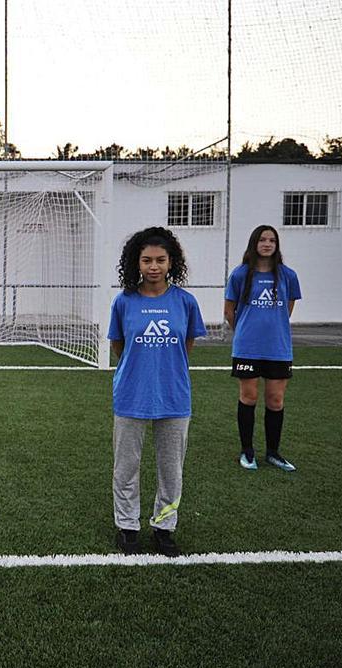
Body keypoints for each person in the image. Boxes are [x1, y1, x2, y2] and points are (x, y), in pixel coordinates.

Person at [108, 227, 206, 557]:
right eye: (147, 260)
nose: (153, 266)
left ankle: (164, 527)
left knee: (170, 469)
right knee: (126, 467)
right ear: (135, 263)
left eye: (160, 260)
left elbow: (185, 346)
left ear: (171, 262)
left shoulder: (185, 302)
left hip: (174, 396)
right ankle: (128, 527)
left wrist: (163, 369)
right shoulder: (124, 301)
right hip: (131, 394)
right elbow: (119, 346)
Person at [224, 225, 302, 472]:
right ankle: (247, 451)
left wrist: (272, 328)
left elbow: (288, 308)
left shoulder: (288, 275)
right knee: (249, 397)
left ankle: (273, 453)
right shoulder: (240, 275)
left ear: (277, 245)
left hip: (278, 348)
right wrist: (248, 332)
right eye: (262, 239)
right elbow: (229, 312)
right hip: (247, 348)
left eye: (272, 240)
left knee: (276, 400)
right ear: (254, 243)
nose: (267, 244)